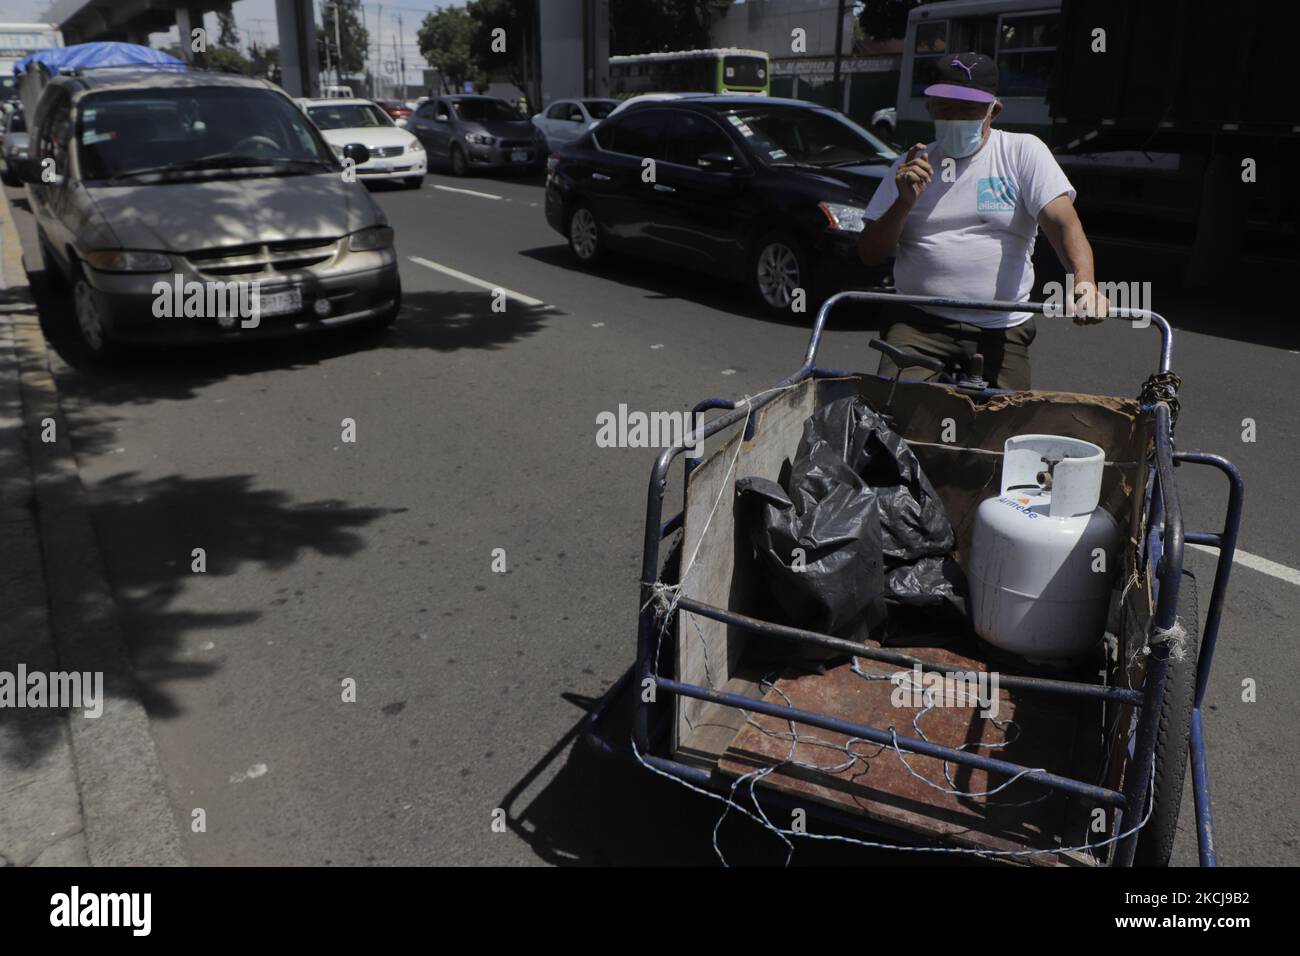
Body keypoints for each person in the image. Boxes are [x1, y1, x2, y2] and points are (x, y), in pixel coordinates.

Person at [858, 52, 1108, 390]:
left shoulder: (1022, 152)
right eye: (946, 108)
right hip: (918, 324)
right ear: (929, 107)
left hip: (1001, 326)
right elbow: (870, 253)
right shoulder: (910, 165)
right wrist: (903, 204)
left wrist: (1085, 283)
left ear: (994, 110)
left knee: (1006, 427)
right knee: (893, 412)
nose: (956, 119)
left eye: (970, 110)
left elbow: (1064, 223)